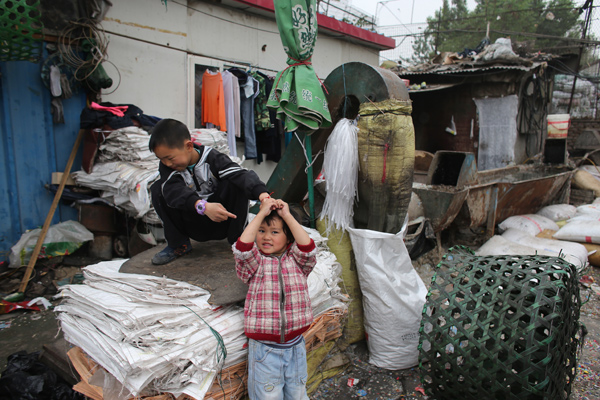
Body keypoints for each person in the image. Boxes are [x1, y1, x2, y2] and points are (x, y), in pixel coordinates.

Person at [149, 118, 270, 265]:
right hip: (193, 223)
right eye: (162, 159)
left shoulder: (213, 158)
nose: (167, 163)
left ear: (188, 146)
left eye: (170, 158)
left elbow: (240, 175)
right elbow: (174, 191)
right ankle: (179, 244)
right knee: (158, 189)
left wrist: (262, 195)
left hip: (223, 221)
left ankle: (239, 240)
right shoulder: (168, 169)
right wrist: (202, 206)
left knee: (235, 181)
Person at [233, 197, 317, 400]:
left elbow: (308, 248)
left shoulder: (297, 261)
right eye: (261, 231)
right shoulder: (255, 264)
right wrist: (261, 213)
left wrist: (287, 215)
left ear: (288, 239)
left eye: (274, 232)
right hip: (265, 350)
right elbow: (242, 249)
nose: (266, 237)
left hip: (295, 346)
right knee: (268, 396)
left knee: (297, 394)